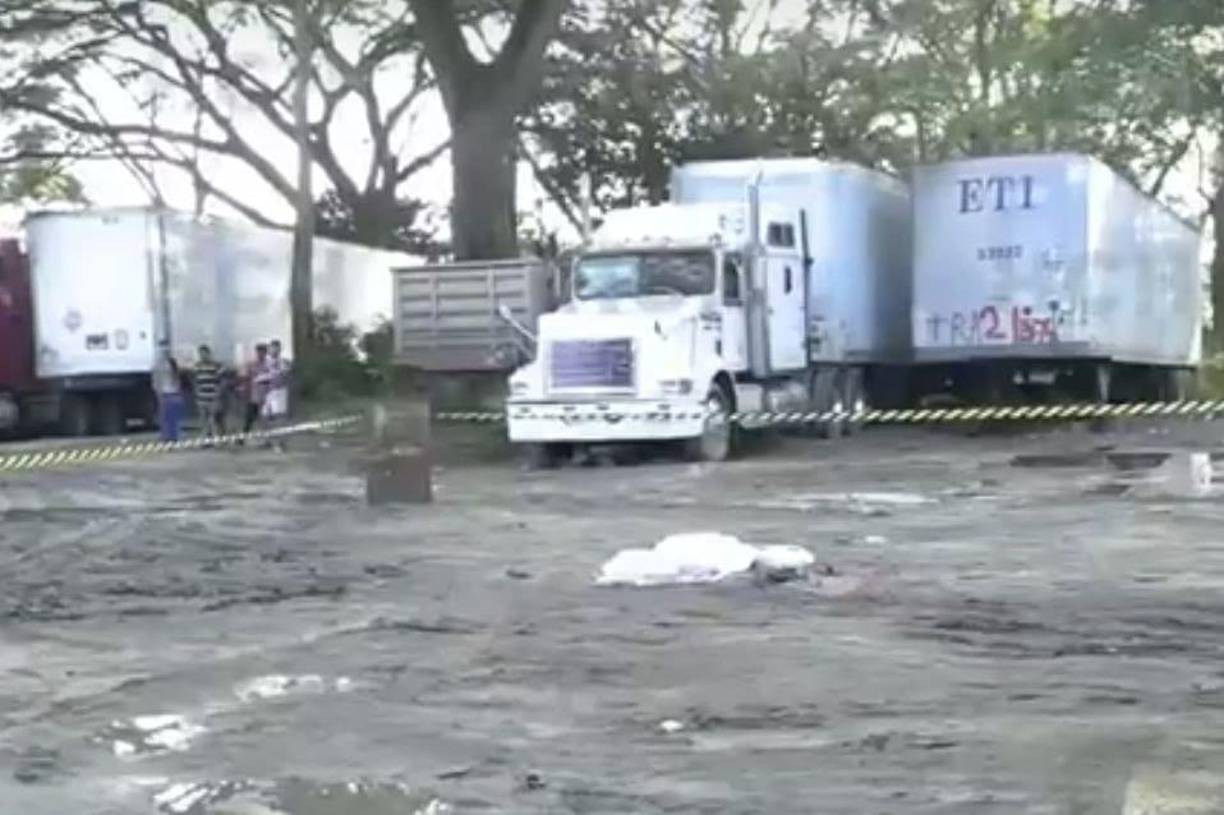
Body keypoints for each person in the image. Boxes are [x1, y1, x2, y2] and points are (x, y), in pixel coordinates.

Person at [262, 339, 291, 449]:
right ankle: (268, 441)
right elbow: (261, 375)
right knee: (265, 416)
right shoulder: (265, 361)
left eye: (276, 348)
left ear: (279, 349)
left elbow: (283, 374)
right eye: (272, 348)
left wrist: (274, 374)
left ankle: (281, 442)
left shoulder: (283, 362)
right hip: (268, 392)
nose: (274, 350)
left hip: (279, 392)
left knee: (279, 417)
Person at [152, 346, 184, 442]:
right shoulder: (160, 365)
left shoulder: (169, 364)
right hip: (167, 393)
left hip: (171, 393)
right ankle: (169, 436)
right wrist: (159, 393)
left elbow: (176, 380)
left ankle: (171, 436)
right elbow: (157, 381)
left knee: (170, 417)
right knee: (168, 417)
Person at [193, 344, 224, 440]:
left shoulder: (215, 366)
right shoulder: (197, 366)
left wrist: (218, 394)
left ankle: (215, 437)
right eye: (201, 354)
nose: (203, 356)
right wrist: (197, 393)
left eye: (204, 353)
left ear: (208, 353)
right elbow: (195, 381)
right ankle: (204, 438)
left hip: (212, 396)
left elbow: (220, 381)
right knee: (203, 419)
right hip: (201, 396)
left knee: (212, 418)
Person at [242, 343, 271, 437]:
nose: (260, 354)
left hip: (266, 396)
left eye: (262, 352)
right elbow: (247, 378)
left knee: (265, 419)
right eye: (259, 352)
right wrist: (246, 391)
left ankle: (268, 439)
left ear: (265, 353)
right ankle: (243, 436)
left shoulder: (269, 365)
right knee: (249, 417)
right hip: (254, 396)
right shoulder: (252, 365)